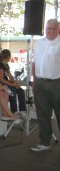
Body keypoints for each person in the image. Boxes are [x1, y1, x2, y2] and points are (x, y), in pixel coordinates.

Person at [31, 19, 60, 152]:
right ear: (45, 28)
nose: (51, 31)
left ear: (58, 29)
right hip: (40, 83)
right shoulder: (38, 43)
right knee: (42, 114)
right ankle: (44, 142)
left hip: (56, 84)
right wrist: (34, 80)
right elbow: (34, 62)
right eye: (49, 28)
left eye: (54, 29)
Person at [0, 49, 27, 119]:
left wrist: (15, 83)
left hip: (7, 83)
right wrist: (12, 84)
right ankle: (14, 111)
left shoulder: (6, 65)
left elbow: (10, 75)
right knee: (12, 92)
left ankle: (22, 110)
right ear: (7, 57)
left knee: (21, 91)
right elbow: (1, 79)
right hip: (1, 85)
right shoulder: (0, 65)